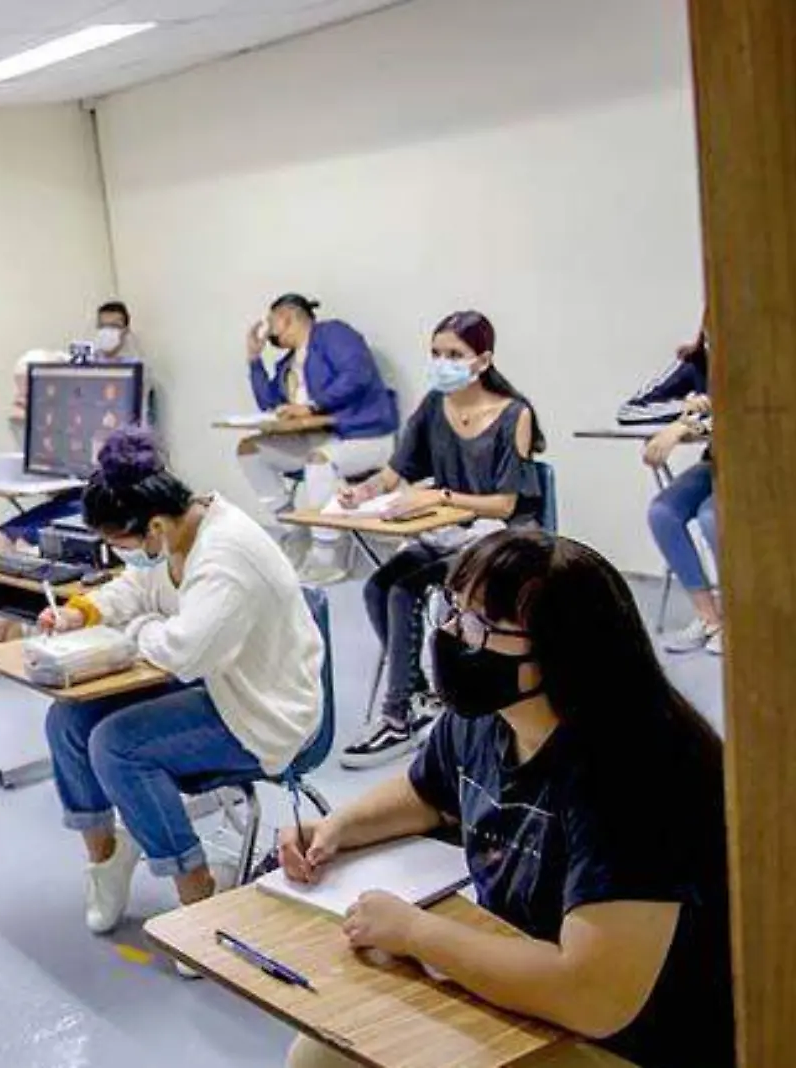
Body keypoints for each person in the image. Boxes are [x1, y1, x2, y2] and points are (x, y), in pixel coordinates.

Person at [280, 530, 732, 1068]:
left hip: (632, 1041)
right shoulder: (489, 718)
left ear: (562, 651)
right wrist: (338, 829)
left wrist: (417, 933)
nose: (453, 634)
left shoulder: (636, 773)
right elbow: (428, 793)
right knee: (320, 1053)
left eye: (480, 625)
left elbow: (592, 995)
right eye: (453, 610)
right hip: (533, 985)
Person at [35, 428, 322, 932]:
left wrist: (139, 628)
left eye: (119, 543)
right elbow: (135, 587)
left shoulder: (225, 556)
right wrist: (84, 612)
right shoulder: (174, 535)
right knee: (67, 719)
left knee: (116, 745)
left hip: (263, 711)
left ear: (154, 526)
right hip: (215, 683)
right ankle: (107, 860)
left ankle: (199, 897)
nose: (120, 554)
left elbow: (182, 653)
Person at [335, 310, 544, 769]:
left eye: (454, 355)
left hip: (501, 539)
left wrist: (437, 494)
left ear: (483, 360)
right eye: (435, 353)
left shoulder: (514, 414)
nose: (441, 362)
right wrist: (364, 492)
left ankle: (398, 714)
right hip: (449, 530)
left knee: (406, 590)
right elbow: (397, 471)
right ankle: (415, 692)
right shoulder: (433, 406)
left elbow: (507, 504)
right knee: (379, 584)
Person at [0, 300, 152, 678]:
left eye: (26, 389)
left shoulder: (89, 409)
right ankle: (3, 630)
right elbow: (39, 464)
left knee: (21, 543)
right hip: (65, 497)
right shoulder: (35, 415)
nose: (21, 397)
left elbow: (86, 466)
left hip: (90, 500)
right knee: (3, 537)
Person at [241, 294, 399, 584]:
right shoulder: (288, 364)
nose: (268, 331)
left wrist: (314, 406)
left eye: (271, 322)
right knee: (249, 450)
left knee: (319, 461)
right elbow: (269, 404)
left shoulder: (334, 334)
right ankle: (292, 525)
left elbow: (357, 374)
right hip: (320, 438)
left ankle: (328, 553)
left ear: (287, 317)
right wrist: (254, 360)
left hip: (365, 435)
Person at [621, 330, 719, 654]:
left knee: (710, 517)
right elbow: (630, 410)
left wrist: (687, 426)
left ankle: (742, 616)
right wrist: (683, 408)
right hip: (717, 463)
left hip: (760, 466)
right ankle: (711, 620)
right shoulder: (696, 362)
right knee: (663, 512)